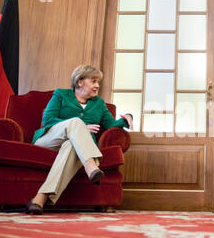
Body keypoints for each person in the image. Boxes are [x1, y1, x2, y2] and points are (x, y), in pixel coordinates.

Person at [25, 65, 133, 215]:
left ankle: (39, 199)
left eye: (98, 82)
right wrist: (81, 127)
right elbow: (48, 120)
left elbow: (111, 126)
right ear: (80, 82)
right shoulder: (61, 95)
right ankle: (91, 166)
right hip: (49, 140)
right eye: (94, 81)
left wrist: (127, 118)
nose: (97, 86)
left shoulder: (99, 104)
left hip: (75, 147)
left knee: (71, 145)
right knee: (76, 122)